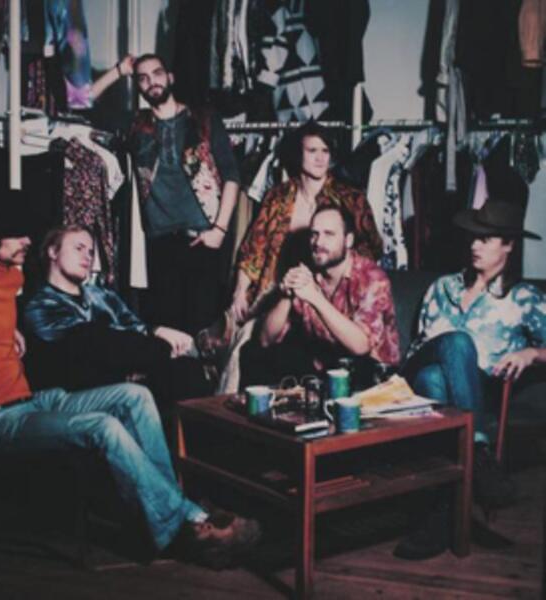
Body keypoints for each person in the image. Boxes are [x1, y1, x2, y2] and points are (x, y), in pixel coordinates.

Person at [0, 190, 260, 568]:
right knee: (103, 427)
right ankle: (187, 523)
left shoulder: (12, 275)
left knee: (135, 395)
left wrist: (8, 331)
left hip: (32, 400)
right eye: (16, 234)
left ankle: (170, 517)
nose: (27, 240)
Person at [396, 200, 546, 560]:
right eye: (473, 237)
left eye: (486, 238)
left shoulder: (524, 298)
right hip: (419, 373)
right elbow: (419, 345)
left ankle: (442, 513)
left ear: (508, 245)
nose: (475, 245)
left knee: (436, 378)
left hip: (476, 391)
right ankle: (478, 454)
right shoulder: (442, 286)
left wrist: (532, 353)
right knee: (453, 348)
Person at [208, 121, 382, 392]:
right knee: (246, 344)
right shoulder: (278, 197)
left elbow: (371, 251)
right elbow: (255, 246)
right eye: (312, 150)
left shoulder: (351, 199)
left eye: (325, 151)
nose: (320, 158)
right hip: (278, 294)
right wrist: (241, 290)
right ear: (298, 155)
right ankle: (226, 408)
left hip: (327, 300)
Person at [95, 53, 241, 336]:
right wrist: (119, 70)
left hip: (203, 238)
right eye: (143, 78)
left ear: (170, 77)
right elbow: (81, 101)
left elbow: (232, 176)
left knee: (204, 330)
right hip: (160, 243)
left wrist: (220, 230)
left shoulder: (203, 119)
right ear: (138, 86)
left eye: (157, 73)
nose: (152, 82)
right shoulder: (137, 126)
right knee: (168, 332)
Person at [22, 225, 211, 403]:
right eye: (78, 248)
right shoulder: (39, 303)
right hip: (84, 387)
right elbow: (93, 344)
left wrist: (157, 331)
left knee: (187, 371)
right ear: (53, 252)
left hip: (131, 369)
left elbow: (134, 328)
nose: (87, 257)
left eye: (90, 252)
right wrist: (161, 349)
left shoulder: (102, 295)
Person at [240, 205, 399, 389]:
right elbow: (265, 340)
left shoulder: (371, 278)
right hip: (323, 370)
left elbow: (362, 346)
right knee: (252, 353)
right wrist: (287, 295)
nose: (318, 242)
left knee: (356, 366)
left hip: (373, 377)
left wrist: (315, 297)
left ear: (348, 240)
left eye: (329, 234)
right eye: (314, 234)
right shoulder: (309, 272)